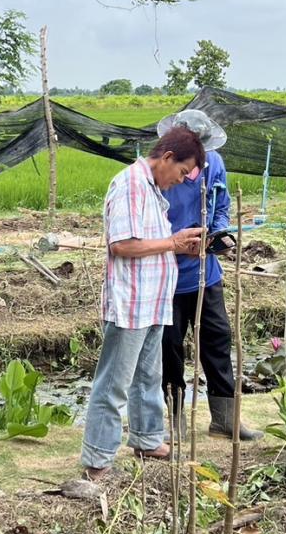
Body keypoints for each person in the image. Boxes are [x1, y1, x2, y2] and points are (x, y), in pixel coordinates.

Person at [80, 126, 207, 479]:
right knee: (114, 383)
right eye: (182, 172)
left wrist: (181, 246)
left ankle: (147, 438)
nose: (180, 181)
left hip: (153, 300)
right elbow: (122, 245)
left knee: (148, 377)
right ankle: (98, 460)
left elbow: (155, 241)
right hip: (131, 302)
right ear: (167, 158)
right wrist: (173, 242)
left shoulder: (153, 189)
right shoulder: (131, 185)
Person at [158, 110, 263, 441]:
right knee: (170, 346)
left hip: (206, 272)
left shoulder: (215, 164)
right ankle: (175, 420)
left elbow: (221, 205)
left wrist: (219, 234)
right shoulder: (161, 169)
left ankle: (225, 419)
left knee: (218, 339)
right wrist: (175, 243)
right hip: (167, 275)